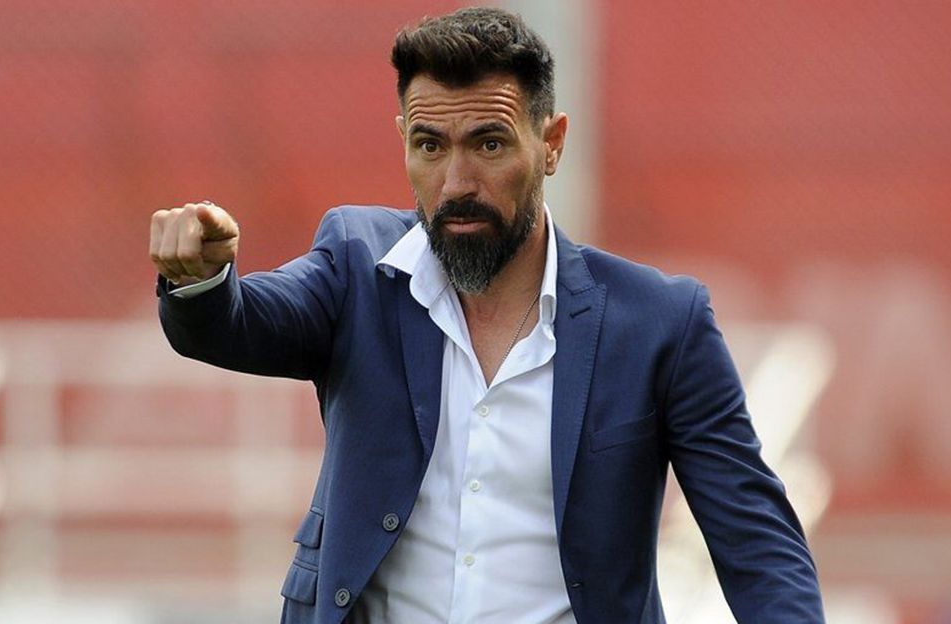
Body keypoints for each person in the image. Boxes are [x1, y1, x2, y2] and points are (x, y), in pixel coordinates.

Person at [150, 7, 824, 624]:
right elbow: (240, 323)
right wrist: (201, 279)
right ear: (403, 142)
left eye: (489, 145)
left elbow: (756, 541)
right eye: (430, 145)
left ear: (551, 143)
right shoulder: (355, 264)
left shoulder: (660, 323)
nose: (456, 183)